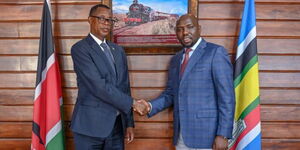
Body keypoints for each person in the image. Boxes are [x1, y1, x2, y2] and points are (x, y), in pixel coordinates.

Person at [136, 14, 235, 150]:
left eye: (189, 27)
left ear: (199, 29)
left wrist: (223, 134)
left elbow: (227, 98)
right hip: (181, 137)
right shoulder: (176, 60)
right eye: (180, 29)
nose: (185, 32)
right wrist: (150, 106)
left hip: (208, 137)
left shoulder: (215, 53)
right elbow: (171, 94)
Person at [70, 4, 145, 150]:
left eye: (110, 20)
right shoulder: (80, 49)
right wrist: (134, 103)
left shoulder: (117, 50)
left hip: (116, 127)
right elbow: (98, 86)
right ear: (90, 20)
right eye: (102, 18)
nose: (106, 23)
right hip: (89, 128)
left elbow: (124, 86)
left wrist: (129, 123)